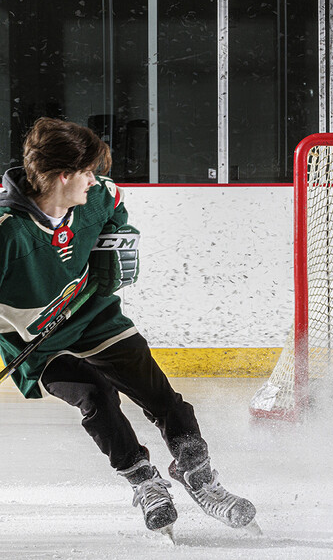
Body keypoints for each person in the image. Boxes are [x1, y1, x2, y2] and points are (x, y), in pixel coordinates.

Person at [0, 117, 256, 537]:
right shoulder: (8, 232)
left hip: (95, 318)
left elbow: (115, 206)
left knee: (161, 397)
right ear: (64, 175)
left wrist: (114, 240)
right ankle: (145, 482)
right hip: (37, 339)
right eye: (86, 171)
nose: (93, 179)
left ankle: (200, 477)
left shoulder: (97, 195)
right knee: (97, 396)